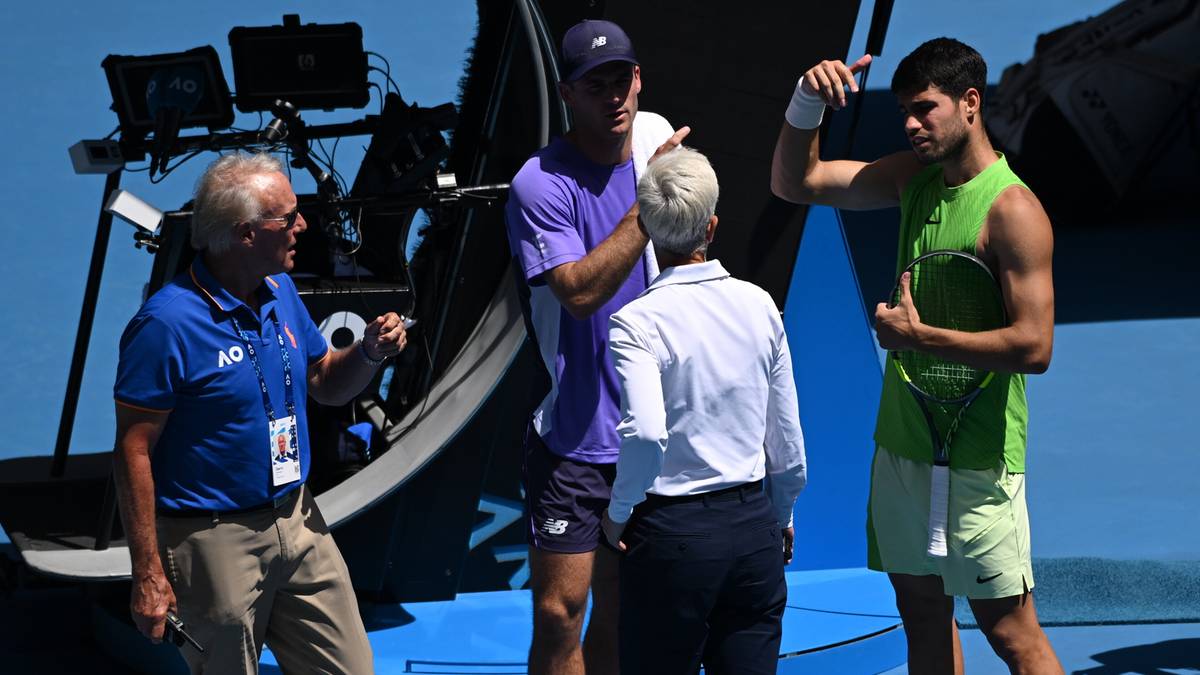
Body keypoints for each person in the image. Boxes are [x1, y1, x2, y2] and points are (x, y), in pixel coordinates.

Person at [770, 38, 1061, 674]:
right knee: (922, 620)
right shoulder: (911, 178)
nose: (909, 122)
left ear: (971, 103)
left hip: (982, 462)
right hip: (901, 449)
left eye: (925, 108)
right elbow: (798, 182)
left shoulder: (1013, 211)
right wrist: (805, 102)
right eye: (904, 109)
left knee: (1013, 635)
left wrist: (921, 338)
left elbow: (1035, 346)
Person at [113, 152, 408, 674]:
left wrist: (369, 353)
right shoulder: (165, 326)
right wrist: (147, 572)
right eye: (287, 216)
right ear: (246, 234)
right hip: (213, 542)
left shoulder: (280, 290)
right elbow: (133, 451)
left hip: (298, 521)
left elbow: (325, 383)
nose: (302, 225)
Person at [503, 18, 687, 675]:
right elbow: (577, 292)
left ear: (638, 80)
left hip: (656, 429)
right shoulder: (538, 183)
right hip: (574, 438)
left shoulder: (655, 137)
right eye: (595, 84)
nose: (614, 96)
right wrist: (648, 201)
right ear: (568, 94)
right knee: (559, 614)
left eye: (622, 79)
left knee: (626, 608)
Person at [600, 148, 807, 674]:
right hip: (754, 532)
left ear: (645, 226)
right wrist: (778, 517)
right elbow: (787, 444)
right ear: (712, 225)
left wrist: (617, 512)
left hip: (671, 538)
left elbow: (647, 436)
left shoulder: (634, 323)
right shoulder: (761, 304)